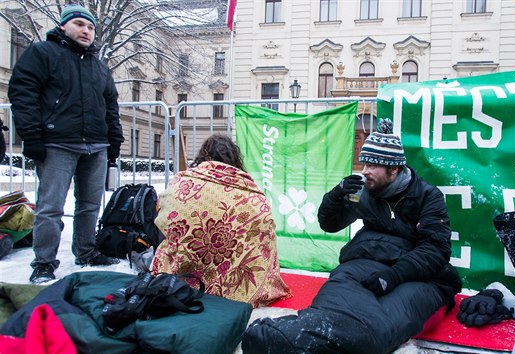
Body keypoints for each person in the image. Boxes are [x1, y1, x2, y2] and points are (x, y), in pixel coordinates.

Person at [242, 118, 462, 354]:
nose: (364, 171)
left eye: (371, 165)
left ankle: (323, 340)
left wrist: (393, 276)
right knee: (332, 307)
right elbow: (330, 224)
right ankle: (297, 333)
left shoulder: (427, 196)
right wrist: (335, 197)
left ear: (394, 169)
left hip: (417, 273)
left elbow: (435, 250)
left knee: (378, 329)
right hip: (364, 260)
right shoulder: (364, 192)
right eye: (363, 163)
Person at [8, 5, 125, 284]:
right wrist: (32, 136)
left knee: (90, 204)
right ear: (63, 27)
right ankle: (44, 262)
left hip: (96, 144)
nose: (86, 31)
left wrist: (114, 141)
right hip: (57, 143)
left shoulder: (98, 66)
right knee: (51, 207)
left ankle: (85, 251)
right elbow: (23, 93)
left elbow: (111, 105)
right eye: (79, 24)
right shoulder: (42, 53)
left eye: (91, 27)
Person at [151, 134, 291, 308]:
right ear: (234, 159)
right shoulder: (251, 193)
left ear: (203, 156)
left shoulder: (183, 182)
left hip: (183, 274)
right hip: (235, 280)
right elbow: (264, 231)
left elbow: (163, 216)